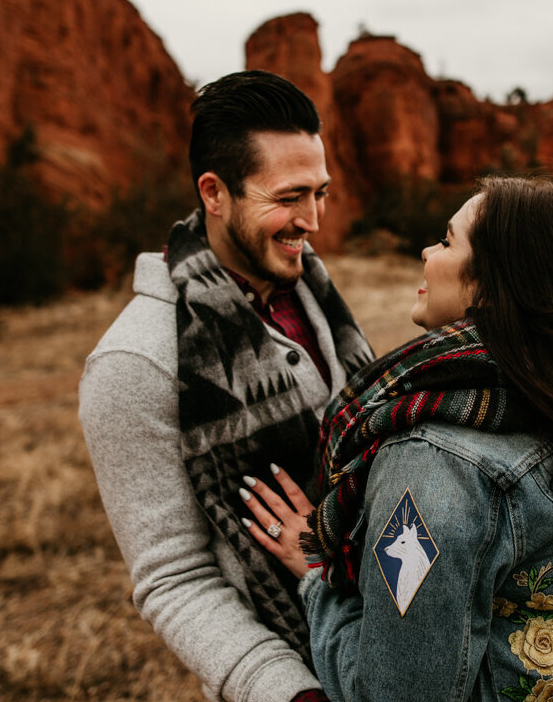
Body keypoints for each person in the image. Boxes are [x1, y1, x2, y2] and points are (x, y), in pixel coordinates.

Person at [240, 176, 553, 702]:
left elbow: (391, 695)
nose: (427, 252)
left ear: (496, 284)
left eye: (448, 241)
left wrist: (318, 579)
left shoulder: (430, 461)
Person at [79, 70, 373, 702]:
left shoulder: (316, 297)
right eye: (290, 197)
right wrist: (293, 693)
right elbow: (173, 579)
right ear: (214, 193)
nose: (314, 221)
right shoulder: (135, 362)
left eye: (320, 193)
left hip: (389, 649)